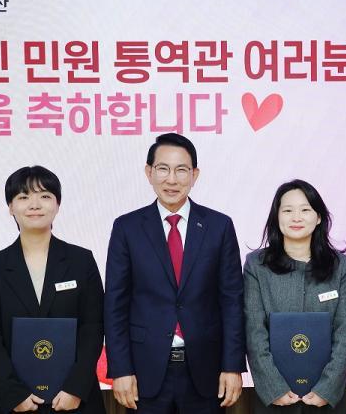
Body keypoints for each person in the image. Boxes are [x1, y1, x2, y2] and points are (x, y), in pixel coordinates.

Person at [104, 133, 246, 413]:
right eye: (163, 169)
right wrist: (120, 369)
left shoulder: (219, 226)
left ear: (194, 175)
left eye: (181, 170)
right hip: (145, 371)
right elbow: (115, 304)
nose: (172, 179)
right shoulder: (127, 228)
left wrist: (232, 366)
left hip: (205, 370)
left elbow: (231, 301)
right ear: (149, 173)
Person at [0, 166, 106, 413]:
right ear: (11, 207)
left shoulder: (81, 261)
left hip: (72, 399)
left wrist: (75, 388)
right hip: (10, 401)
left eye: (44, 196)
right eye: (23, 197)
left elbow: (93, 327)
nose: (35, 205)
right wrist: (13, 394)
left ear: (57, 204)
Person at [244, 179, 346, 414]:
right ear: (277, 217)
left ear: (318, 217)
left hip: (326, 398)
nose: (296, 218)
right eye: (288, 210)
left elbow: (345, 332)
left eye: (305, 210)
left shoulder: (340, 267)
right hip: (275, 398)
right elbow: (254, 331)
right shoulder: (257, 266)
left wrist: (327, 388)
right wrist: (274, 388)